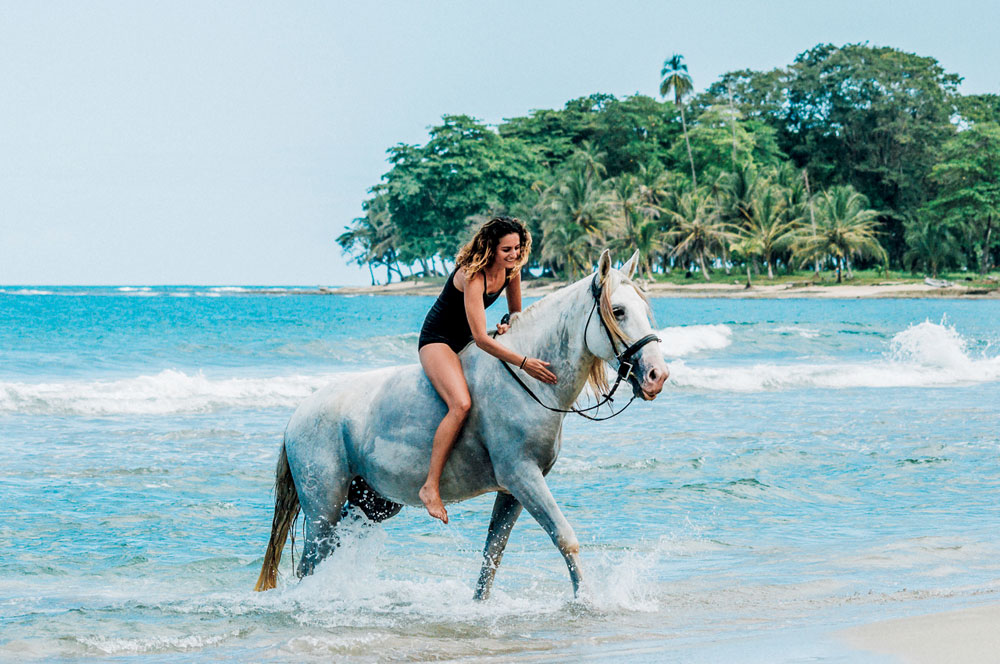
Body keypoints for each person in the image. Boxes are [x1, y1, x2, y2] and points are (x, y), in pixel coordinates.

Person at [417, 216, 558, 523]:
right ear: (491, 248)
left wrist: (507, 323)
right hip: (438, 341)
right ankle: (430, 486)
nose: (514, 255)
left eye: (518, 248)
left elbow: (515, 314)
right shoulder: (472, 274)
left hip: (467, 339)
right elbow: (482, 339)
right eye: (507, 249)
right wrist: (524, 363)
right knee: (461, 404)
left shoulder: (512, 271)